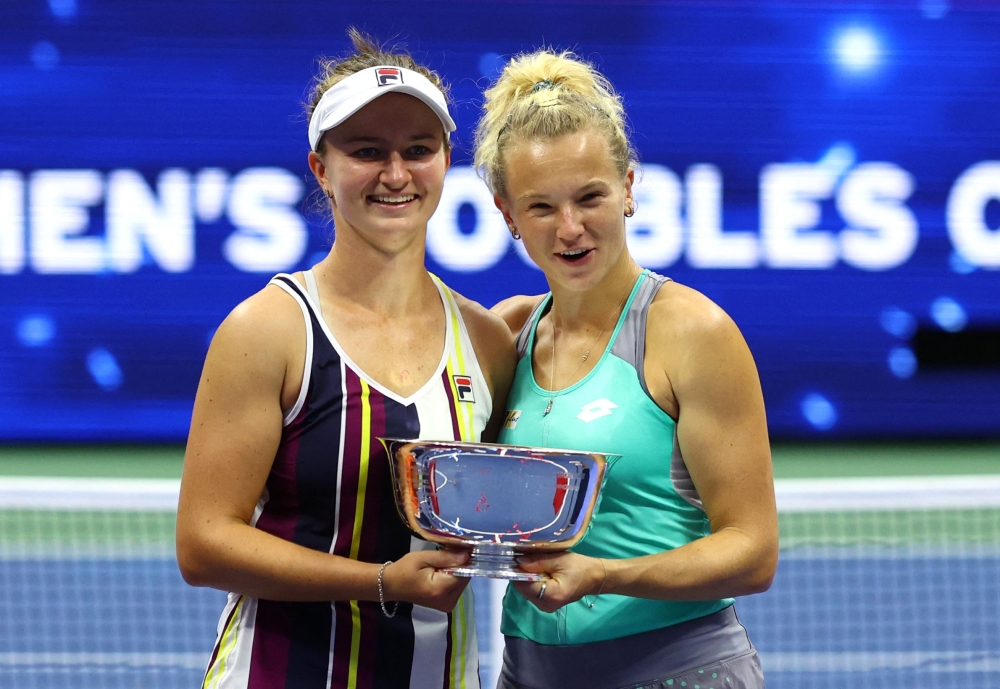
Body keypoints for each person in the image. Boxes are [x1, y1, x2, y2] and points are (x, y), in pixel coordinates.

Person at [176, 30, 514, 689]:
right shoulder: (268, 330)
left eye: (418, 150)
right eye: (366, 151)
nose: (395, 174)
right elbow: (204, 542)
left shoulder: (487, 341)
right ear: (320, 168)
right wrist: (382, 582)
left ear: (447, 160)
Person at [474, 50, 778, 689]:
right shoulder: (504, 333)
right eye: (541, 208)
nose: (571, 228)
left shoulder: (694, 333)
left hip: (679, 670)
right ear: (507, 216)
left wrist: (606, 575)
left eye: (591, 197)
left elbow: (752, 552)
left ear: (630, 189)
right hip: (525, 671)